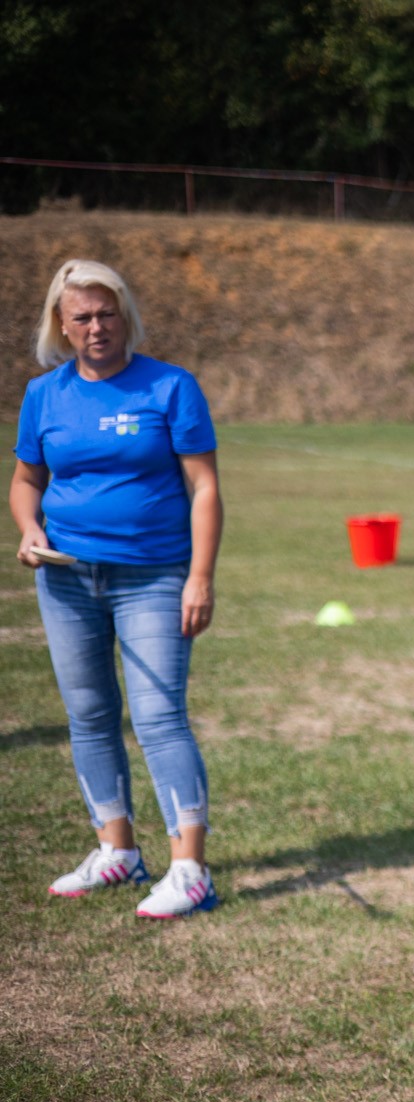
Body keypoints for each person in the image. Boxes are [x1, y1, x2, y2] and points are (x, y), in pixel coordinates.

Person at [11, 259, 225, 920]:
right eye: (83, 317)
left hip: (154, 578)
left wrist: (200, 575)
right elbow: (27, 481)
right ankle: (118, 850)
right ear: (61, 325)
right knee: (90, 714)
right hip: (66, 579)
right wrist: (27, 529)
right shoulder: (44, 395)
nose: (97, 326)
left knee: (159, 715)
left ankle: (190, 868)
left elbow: (206, 487)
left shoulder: (170, 387)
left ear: (125, 314)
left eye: (107, 313)